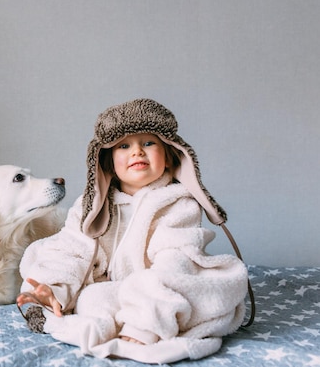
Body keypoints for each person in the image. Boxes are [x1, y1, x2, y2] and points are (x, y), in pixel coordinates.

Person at [16, 98, 249, 364]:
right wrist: (52, 290)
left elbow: (175, 261)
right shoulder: (91, 205)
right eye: (124, 146)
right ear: (107, 161)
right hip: (113, 288)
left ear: (170, 155)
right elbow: (71, 251)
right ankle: (99, 325)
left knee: (190, 279)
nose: (137, 152)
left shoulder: (178, 203)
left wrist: (148, 312)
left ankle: (144, 325)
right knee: (91, 295)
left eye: (148, 143)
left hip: (156, 286)